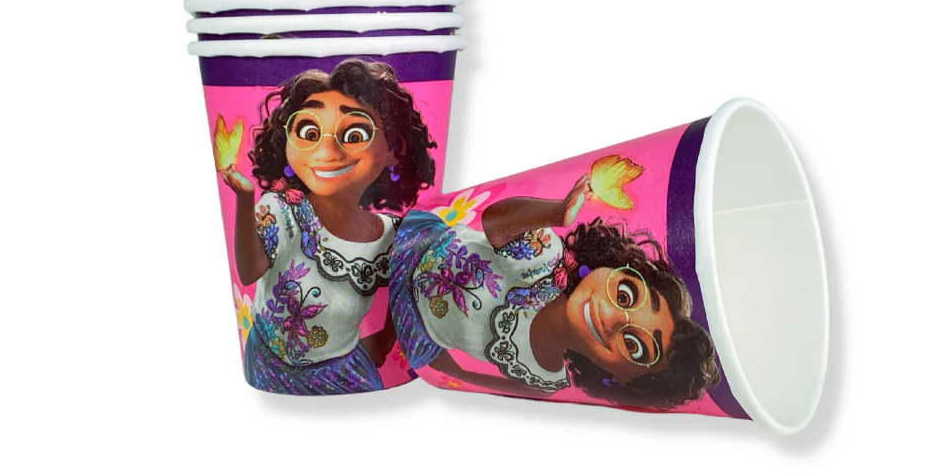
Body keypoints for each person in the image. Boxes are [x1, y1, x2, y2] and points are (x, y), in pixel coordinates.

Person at [389, 173, 718, 409]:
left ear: (624, 379)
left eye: (634, 346)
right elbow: (494, 224)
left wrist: (445, 369)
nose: (613, 317)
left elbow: (473, 378)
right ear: (614, 267)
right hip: (412, 245)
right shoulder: (544, 258)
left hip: (415, 333)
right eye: (625, 296)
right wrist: (556, 213)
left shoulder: (544, 380)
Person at [222, 59, 436, 394]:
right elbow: (250, 272)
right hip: (266, 364)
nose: (326, 151)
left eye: (355, 134)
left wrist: (383, 342)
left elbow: (408, 298)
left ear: (395, 148)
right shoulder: (283, 211)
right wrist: (245, 200)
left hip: (346, 374)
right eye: (309, 132)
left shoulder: (395, 234)